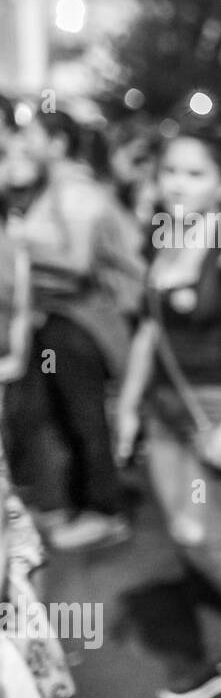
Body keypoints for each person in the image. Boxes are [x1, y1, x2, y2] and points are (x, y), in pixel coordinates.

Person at [114, 129, 221, 698]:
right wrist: (130, 407)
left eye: (195, 174)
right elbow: (150, 330)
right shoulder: (162, 239)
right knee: (186, 541)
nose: (178, 185)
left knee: (213, 538)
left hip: (216, 408)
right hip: (166, 409)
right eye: (171, 172)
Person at [1, 109, 143, 551]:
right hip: (61, 323)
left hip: (79, 325)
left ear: (59, 144)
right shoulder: (55, 190)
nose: (24, 146)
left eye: (33, 138)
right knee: (65, 416)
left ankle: (106, 510)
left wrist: (24, 247)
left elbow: (78, 262)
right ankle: (81, 502)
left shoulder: (75, 192)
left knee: (85, 418)